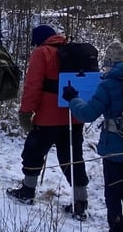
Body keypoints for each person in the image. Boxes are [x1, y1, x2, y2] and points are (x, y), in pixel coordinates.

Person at [7, 25, 89, 219]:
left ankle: (27, 192)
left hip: (48, 118)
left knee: (33, 153)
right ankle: (80, 202)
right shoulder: (74, 52)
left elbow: (33, 85)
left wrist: (26, 112)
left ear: (40, 40)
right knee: (73, 158)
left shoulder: (42, 53)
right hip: (74, 116)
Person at [63, 41, 123, 232]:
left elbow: (87, 114)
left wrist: (72, 99)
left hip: (115, 151)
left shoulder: (108, 84)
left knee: (114, 194)